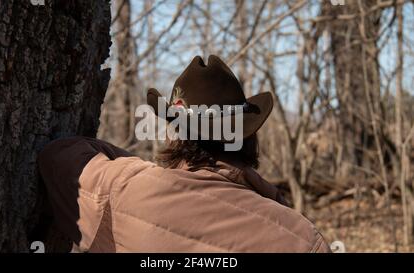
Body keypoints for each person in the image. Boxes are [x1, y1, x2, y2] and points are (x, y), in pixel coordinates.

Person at [38, 55, 331, 253]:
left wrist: (138, 169)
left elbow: (60, 154)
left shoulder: (129, 192)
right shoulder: (302, 238)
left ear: (176, 134)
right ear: (248, 137)